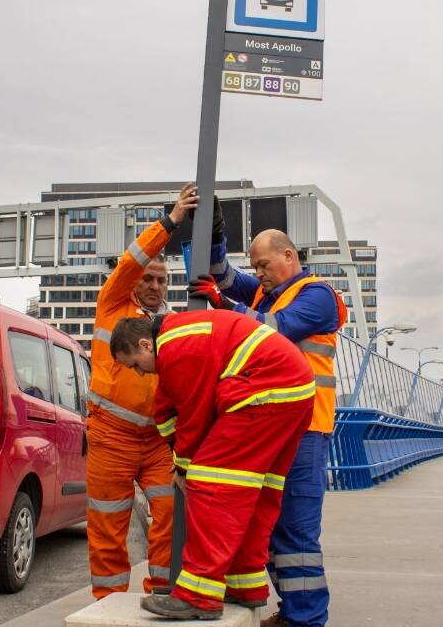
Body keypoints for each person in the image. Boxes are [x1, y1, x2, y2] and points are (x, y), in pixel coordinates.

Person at [187, 217, 346, 627]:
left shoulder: (318, 296)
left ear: (289, 256)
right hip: (274, 426)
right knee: (271, 528)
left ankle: (306, 620)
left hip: (307, 430)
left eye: (263, 265)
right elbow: (223, 276)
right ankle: (293, 612)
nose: (257, 274)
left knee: (296, 532)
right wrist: (218, 236)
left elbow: (275, 330)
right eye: (255, 267)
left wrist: (224, 307)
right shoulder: (266, 290)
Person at [110, 310, 315, 620]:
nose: (139, 374)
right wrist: (175, 452)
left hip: (262, 390)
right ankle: (245, 585)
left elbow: (195, 415)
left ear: (145, 344)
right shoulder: (183, 336)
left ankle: (197, 596)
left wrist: (184, 469)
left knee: (211, 486)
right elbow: (166, 409)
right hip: (292, 391)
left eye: (136, 364)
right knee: (257, 493)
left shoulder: (176, 347)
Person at [86, 182, 198, 599]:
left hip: (156, 440)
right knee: (107, 521)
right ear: (135, 283)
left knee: (170, 512)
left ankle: (161, 595)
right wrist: (170, 222)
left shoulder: (173, 324)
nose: (154, 285)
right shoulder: (114, 305)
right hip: (110, 436)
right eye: (148, 278)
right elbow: (130, 262)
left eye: (162, 280)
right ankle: (108, 602)